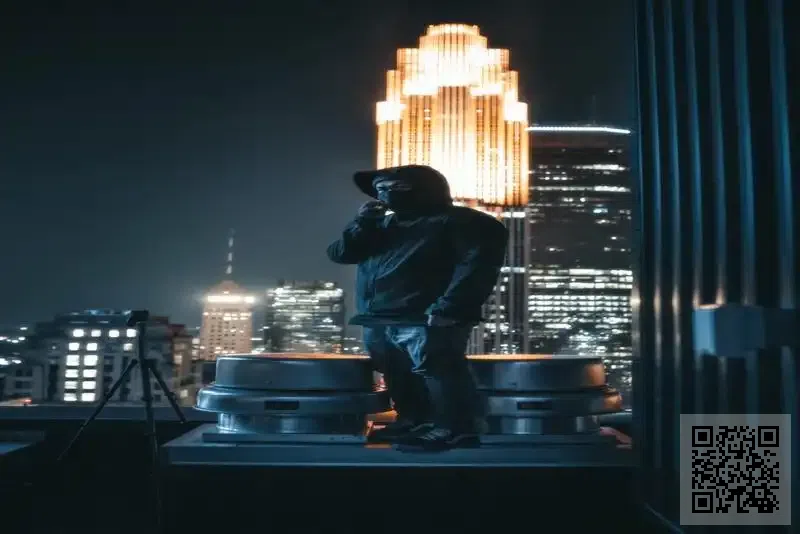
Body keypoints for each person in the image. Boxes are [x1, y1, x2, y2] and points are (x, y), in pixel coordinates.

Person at [326, 165, 508, 451]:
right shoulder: (381, 224)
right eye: (381, 188)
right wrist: (363, 223)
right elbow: (341, 253)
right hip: (378, 317)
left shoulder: (463, 221)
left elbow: (477, 267)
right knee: (396, 372)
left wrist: (450, 308)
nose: (386, 193)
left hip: (428, 316)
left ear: (425, 188)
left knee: (438, 370)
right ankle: (414, 421)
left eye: (397, 186)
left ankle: (454, 429)